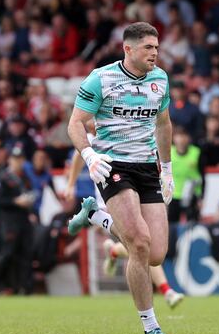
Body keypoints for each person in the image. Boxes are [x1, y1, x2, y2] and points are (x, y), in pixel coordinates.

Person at [66, 22, 176, 334]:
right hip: (113, 165)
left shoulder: (160, 80)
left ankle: (95, 216)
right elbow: (74, 124)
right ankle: (151, 328)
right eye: (148, 48)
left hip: (147, 168)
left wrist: (167, 169)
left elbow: (164, 124)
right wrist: (88, 156)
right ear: (128, 49)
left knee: (156, 254)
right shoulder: (100, 79)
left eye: (156, 47)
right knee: (138, 242)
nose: (154, 53)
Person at [63, 119, 184, 309]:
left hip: (131, 189)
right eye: (90, 121)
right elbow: (78, 159)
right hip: (112, 197)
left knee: (143, 243)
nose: (93, 123)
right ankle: (166, 290)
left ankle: (106, 235)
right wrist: (70, 184)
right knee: (143, 241)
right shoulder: (89, 140)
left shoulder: (119, 131)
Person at [0, 146, 35, 295]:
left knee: (26, 254)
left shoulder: (24, 178)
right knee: (7, 253)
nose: (18, 162)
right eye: (15, 159)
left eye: (20, 159)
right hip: (8, 221)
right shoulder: (2, 178)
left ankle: (25, 288)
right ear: (10, 160)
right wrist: (15, 201)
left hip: (23, 220)